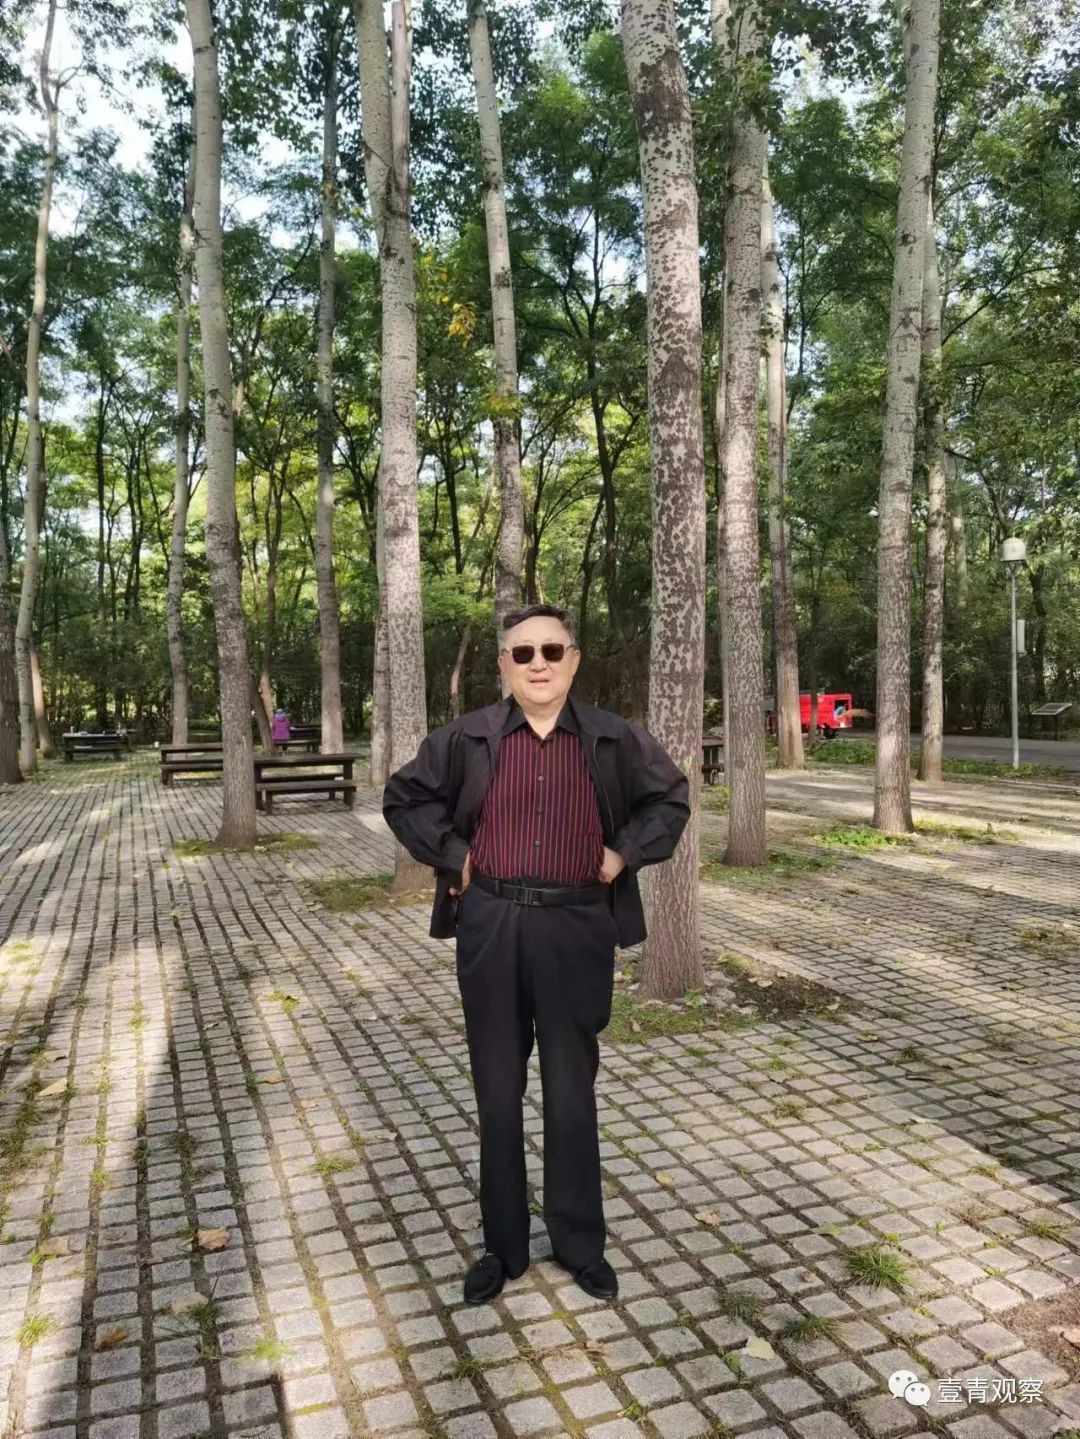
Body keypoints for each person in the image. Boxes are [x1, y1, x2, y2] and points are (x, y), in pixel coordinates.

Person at [382, 604, 690, 1305]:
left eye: (552, 650)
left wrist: (624, 853)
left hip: (578, 924)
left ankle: (579, 1243)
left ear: (573, 660)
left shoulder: (612, 738)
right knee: (497, 1090)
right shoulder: (467, 738)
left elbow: (670, 800)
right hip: (491, 923)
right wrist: (455, 854)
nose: (539, 663)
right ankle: (504, 1246)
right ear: (505, 665)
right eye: (523, 653)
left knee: (570, 1087)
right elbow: (404, 799)